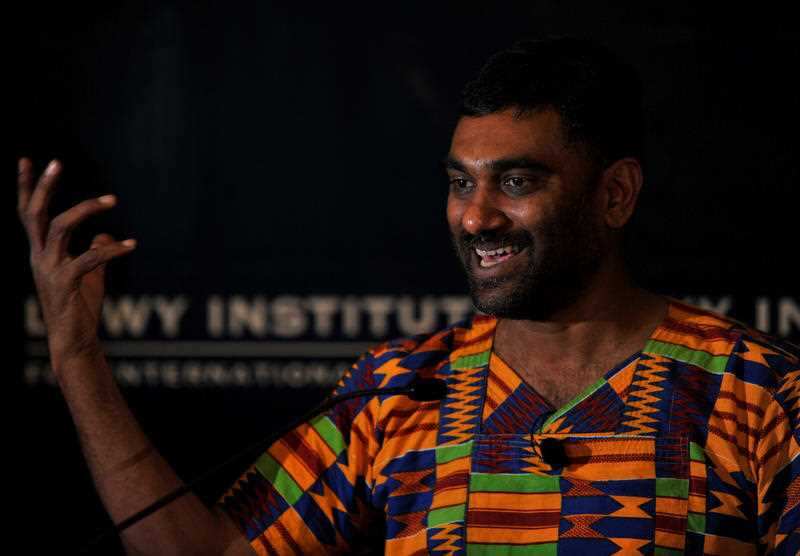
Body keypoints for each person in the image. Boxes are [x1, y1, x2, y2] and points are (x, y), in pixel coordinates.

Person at [18, 37, 799, 555]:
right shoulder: (397, 389)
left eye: (518, 182)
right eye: (460, 183)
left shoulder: (760, 392)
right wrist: (78, 359)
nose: (476, 215)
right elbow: (210, 551)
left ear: (617, 195)